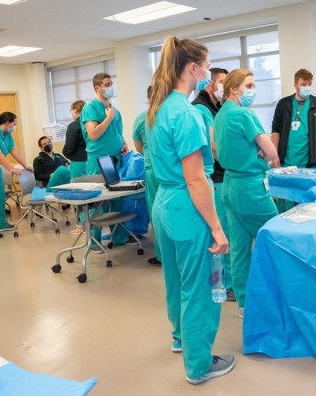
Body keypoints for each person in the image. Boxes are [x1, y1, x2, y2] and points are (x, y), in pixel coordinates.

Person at [145, 36, 234, 385]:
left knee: (176, 279)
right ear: (193, 68)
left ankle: (181, 338)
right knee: (199, 288)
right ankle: (199, 365)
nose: (210, 73)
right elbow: (196, 179)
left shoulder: (159, 108)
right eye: (207, 66)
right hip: (187, 206)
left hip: (164, 204)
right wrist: (217, 228)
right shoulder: (186, 114)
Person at [214, 69, 280, 319]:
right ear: (233, 89)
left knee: (239, 249)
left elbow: (219, 151)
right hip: (251, 189)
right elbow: (272, 153)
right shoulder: (244, 114)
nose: (253, 90)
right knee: (275, 239)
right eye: (249, 85)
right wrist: (262, 154)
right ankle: (277, 297)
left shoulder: (221, 114)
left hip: (229, 185)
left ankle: (244, 304)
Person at [192, 67, 235, 300]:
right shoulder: (201, 108)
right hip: (215, 177)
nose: (225, 87)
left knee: (230, 233)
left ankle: (230, 280)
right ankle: (225, 284)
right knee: (222, 233)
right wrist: (238, 163)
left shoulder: (218, 107)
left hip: (223, 176)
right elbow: (214, 146)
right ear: (211, 84)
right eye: (222, 82)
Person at [80, 73, 129, 247]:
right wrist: (108, 118)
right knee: (98, 202)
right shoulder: (90, 108)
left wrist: (124, 143)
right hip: (99, 160)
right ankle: (94, 242)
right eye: (107, 84)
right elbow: (93, 134)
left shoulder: (115, 110)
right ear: (97, 88)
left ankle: (119, 238)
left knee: (118, 199)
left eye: (111, 83)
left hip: (116, 159)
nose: (110, 87)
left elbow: (118, 132)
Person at [271, 68, 316, 168]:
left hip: (310, 164)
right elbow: (275, 130)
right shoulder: (283, 104)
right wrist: (274, 155)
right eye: (303, 84)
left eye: (309, 84)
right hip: (286, 162)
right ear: (295, 85)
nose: (307, 87)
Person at [133, 85, 162, 267]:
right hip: (172, 170)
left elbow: (138, 147)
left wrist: (151, 158)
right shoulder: (170, 115)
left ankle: (161, 254)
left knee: (155, 210)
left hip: (152, 170)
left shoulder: (141, 118)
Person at [62, 100, 87, 179]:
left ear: (75, 110)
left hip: (79, 162)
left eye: (71, 110)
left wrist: (65, 153)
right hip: (93, 160)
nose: (71, 112)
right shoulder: (92, 123)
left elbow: (69, 147)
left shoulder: (73, 126)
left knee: (79, 185)